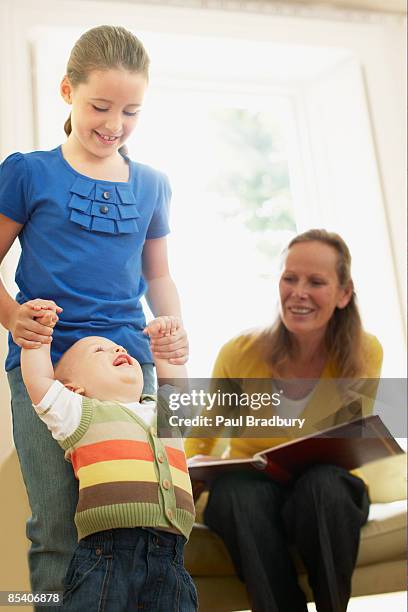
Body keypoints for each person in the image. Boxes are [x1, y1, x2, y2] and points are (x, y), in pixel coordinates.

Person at [0, 25, 188, 602]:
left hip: (133, 369)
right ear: (67, 92)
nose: (114, 123)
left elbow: (157, 274)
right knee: (57, 524)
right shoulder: (28, 172)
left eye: (131, 111)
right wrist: (11, 318)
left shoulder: (153, 184)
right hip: (47, 364)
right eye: (100, 106)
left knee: (147, 519)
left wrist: (174, 328)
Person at [186, 229, 383, 612]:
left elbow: (349, 439)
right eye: (289, 278)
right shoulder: (239, 352)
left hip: (326, 490)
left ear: (344, 293)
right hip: (251, 488)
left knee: (323, 485)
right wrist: (194, 469)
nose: (299, 292)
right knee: (239, 493)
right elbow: (201, 438)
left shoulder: (363, 352)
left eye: (316, 281)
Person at [21, 310, 197, 611]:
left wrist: (165, 348)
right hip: (107, 557)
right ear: (73, 389)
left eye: (120, 348)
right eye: (99, 350)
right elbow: (39, 382)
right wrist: (37, 340)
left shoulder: (164, 414)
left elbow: (179, 392)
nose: (118, 348)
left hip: (172, 560)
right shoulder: (80, 414)